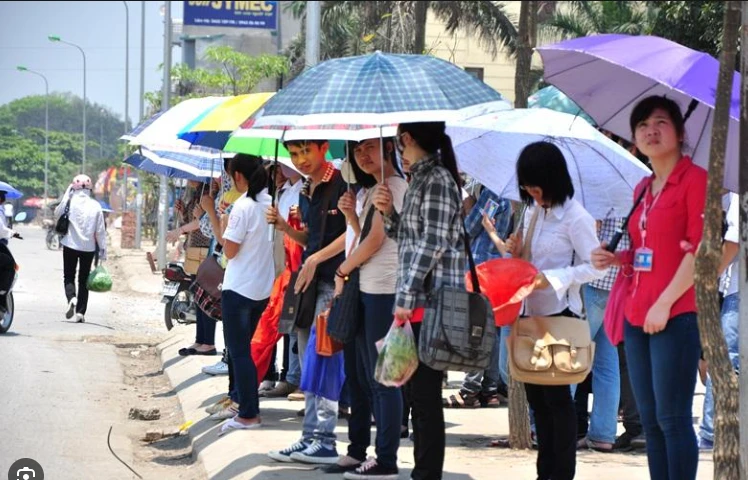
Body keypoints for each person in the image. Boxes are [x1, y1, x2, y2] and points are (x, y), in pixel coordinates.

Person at [592, 95, 707, 480]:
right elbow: (647, 251)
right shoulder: (643, 186)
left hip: (675, 315)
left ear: (680, 130)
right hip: (636, 315)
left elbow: (698, 250)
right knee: (652, 422)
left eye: (660, 122)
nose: (651, 131)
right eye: (642, 125)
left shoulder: (695, 180)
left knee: (674, 418)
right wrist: (618, 259)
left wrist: (665, 303)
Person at [504, 141, 608, 480]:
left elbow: (598, 266)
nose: (532, 193)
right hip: (529, 313)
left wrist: (557, 279)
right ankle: (544, 471)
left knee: (557, 399)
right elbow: (526, 264)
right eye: (527, 188)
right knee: (537, 398)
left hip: (559, 315)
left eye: (536, 187)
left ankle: (560, 473)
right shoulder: (533, 210)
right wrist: (516, 252)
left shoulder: (576, 217)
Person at [372, 121, 465, 480]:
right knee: (416, 394)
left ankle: (427, 473)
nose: (399, 150)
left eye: (399, 142)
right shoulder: (421, 180)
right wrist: (388, 213)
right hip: (417, 300)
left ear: (407, 139)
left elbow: (433, 243)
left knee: (425, 397)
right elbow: (409, 237)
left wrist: (406, 295)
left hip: (431, 301)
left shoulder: (437, 179)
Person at [325, 136, 407, 479]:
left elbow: (377, 241)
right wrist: (351, 216)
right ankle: (357, 450)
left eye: (369, 147)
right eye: (357, 151)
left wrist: (342, 269)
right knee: (358, 377)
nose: (362, 155)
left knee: (383, 379)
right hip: (364, 289)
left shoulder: (395, 186)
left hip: (384, 292)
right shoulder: (374, 189)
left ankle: (385, 458)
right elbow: (365, 236)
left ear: (388, 147)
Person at [266, 140, 348, 465]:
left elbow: (350, 236)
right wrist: (286, 228)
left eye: (306, 152)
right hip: (308, 286)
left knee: (324, 362)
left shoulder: (341, 183)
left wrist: (315, 260)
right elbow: (311, 237)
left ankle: (325, 440)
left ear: (323, 148)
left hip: (333, 284)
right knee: (309, 364)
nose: (300, 160)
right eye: (294, 154)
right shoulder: (304, 190)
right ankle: (309, 436)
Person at [217, 154, 274, 435]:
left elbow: (229, 251)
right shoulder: (269, 203)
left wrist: (225, 222)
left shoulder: (243, 206)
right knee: (246, 352)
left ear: (238, 176)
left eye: (231, 177)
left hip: (239, 288)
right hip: (262, 288)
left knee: (239, 353)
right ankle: (245, 406)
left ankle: (249, 412)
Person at [444, 184, 512, 409]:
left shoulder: (492, 194)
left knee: (477, 328)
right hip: (493, 266)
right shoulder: (504, 195)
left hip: (481, 267)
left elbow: (470, 228)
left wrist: (468, 207)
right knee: (490, 330)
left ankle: (470, 389)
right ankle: (489, 389)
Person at [573, 217, 626, 452]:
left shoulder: (596, 191)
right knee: (607, 362)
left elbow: (589, 236)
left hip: (594, 281)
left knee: (571, 358)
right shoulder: (632, 192)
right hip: (617, 284)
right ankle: (603, 434)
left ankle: (556, 429)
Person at [698, 192, 740, 450]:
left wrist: (710, 275)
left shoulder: (742, 191)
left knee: (725, 360)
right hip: (736, 288)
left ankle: (712, 432)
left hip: (739, 290)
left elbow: (733, 240)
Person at [169, 180, 217, 357]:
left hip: (204, 249)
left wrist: (179, 230)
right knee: (198, 296)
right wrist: (182, 212)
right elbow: (192, 221)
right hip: (194, 247)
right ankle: (200, 339)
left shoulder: (208, 193)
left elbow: (199, 224)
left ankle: (208, 342)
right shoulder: (195, 193)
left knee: (206, 296)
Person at [54, 175, 107, 323]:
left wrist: (67, 193)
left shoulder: (70, 202)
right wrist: (103, 250)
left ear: (73, 187)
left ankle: (72, 298)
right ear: (90, 188)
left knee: (68, 276)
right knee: (84, 279)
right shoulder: (96, 206)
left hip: (70, 245)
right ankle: (80, 313)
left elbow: (57, 213)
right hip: (88, 248)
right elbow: (100, 231)